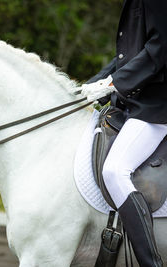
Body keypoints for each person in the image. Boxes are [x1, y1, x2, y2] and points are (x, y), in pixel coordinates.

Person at [80, 0, 167, 266]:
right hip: (137, 104)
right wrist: (95, 83)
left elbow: (159, 49)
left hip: (156, 107)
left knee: (115, 170)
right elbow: (128, 56)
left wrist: (117, 83)